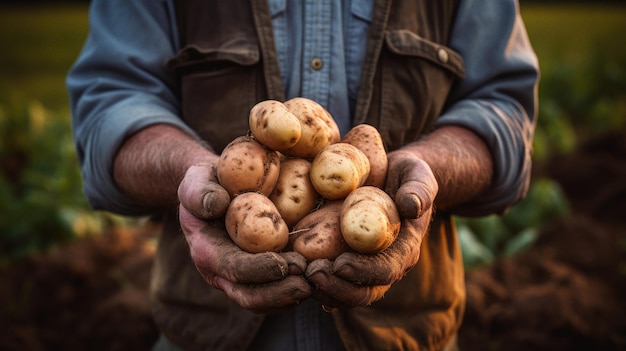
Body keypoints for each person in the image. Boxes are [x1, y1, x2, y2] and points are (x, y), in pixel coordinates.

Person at [67, 0, 538, 350]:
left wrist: (428, 171)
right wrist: (189, 173)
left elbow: (505, 108)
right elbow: (109, 101)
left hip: (408, 338)